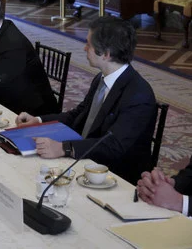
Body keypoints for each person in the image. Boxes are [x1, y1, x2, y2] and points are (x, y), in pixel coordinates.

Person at [16, 16, 158, 184]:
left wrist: (64, 148)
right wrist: (38, 121)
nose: (84, 48)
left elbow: (113, 146)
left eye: (89, 44)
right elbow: (79, 114)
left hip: (114, 176)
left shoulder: (139, 95)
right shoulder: (101, 78)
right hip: (86, 157)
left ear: (106, 54)